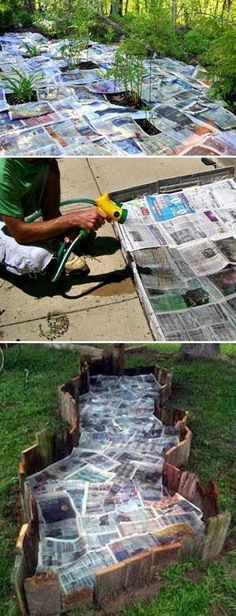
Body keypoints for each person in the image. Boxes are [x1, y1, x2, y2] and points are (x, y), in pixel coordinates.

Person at [0, 158, 107, 277]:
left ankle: (52, 239)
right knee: (38, 257)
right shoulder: (3, 172)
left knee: (49, 166)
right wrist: (71, 219)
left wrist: (59, 228)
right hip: (18, 230)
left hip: (6, 200)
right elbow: (20, 234)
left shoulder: (42, 158)